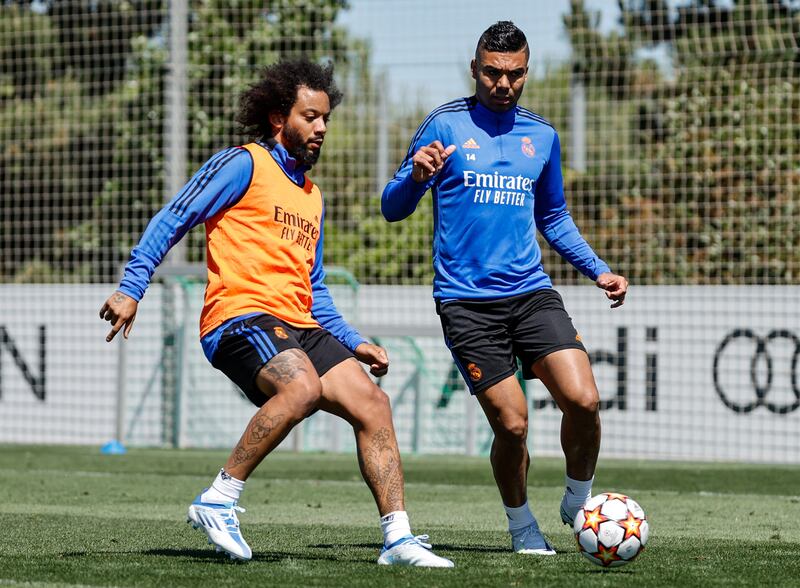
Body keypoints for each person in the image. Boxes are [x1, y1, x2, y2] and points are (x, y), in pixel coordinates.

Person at [99, 58, 453, 568]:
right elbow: (174, 215)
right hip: (238, 317)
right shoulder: (242, 164)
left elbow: (317, 288)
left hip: (299, 324)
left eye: (326, 118)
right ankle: (219, 498)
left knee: (373, 405)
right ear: (277, 118)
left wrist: (353, 341)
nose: (321, 128)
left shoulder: (312, 197)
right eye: (310, 117)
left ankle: (398, 540)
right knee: (302, 388)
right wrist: (132, 287)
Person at [381, 21, 628, 555]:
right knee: (513, 425)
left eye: (514, 74)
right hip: (466, 304)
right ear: (475, 69)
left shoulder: (541, 135)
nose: (503, 84)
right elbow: (391, 208)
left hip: (531, 293)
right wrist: (415, 177)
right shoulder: (442, 127)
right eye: (492, 72)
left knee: (584, 401)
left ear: (525, 73)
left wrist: (597, 269)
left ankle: (579, 499)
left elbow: (554, 215)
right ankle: (522, 527)